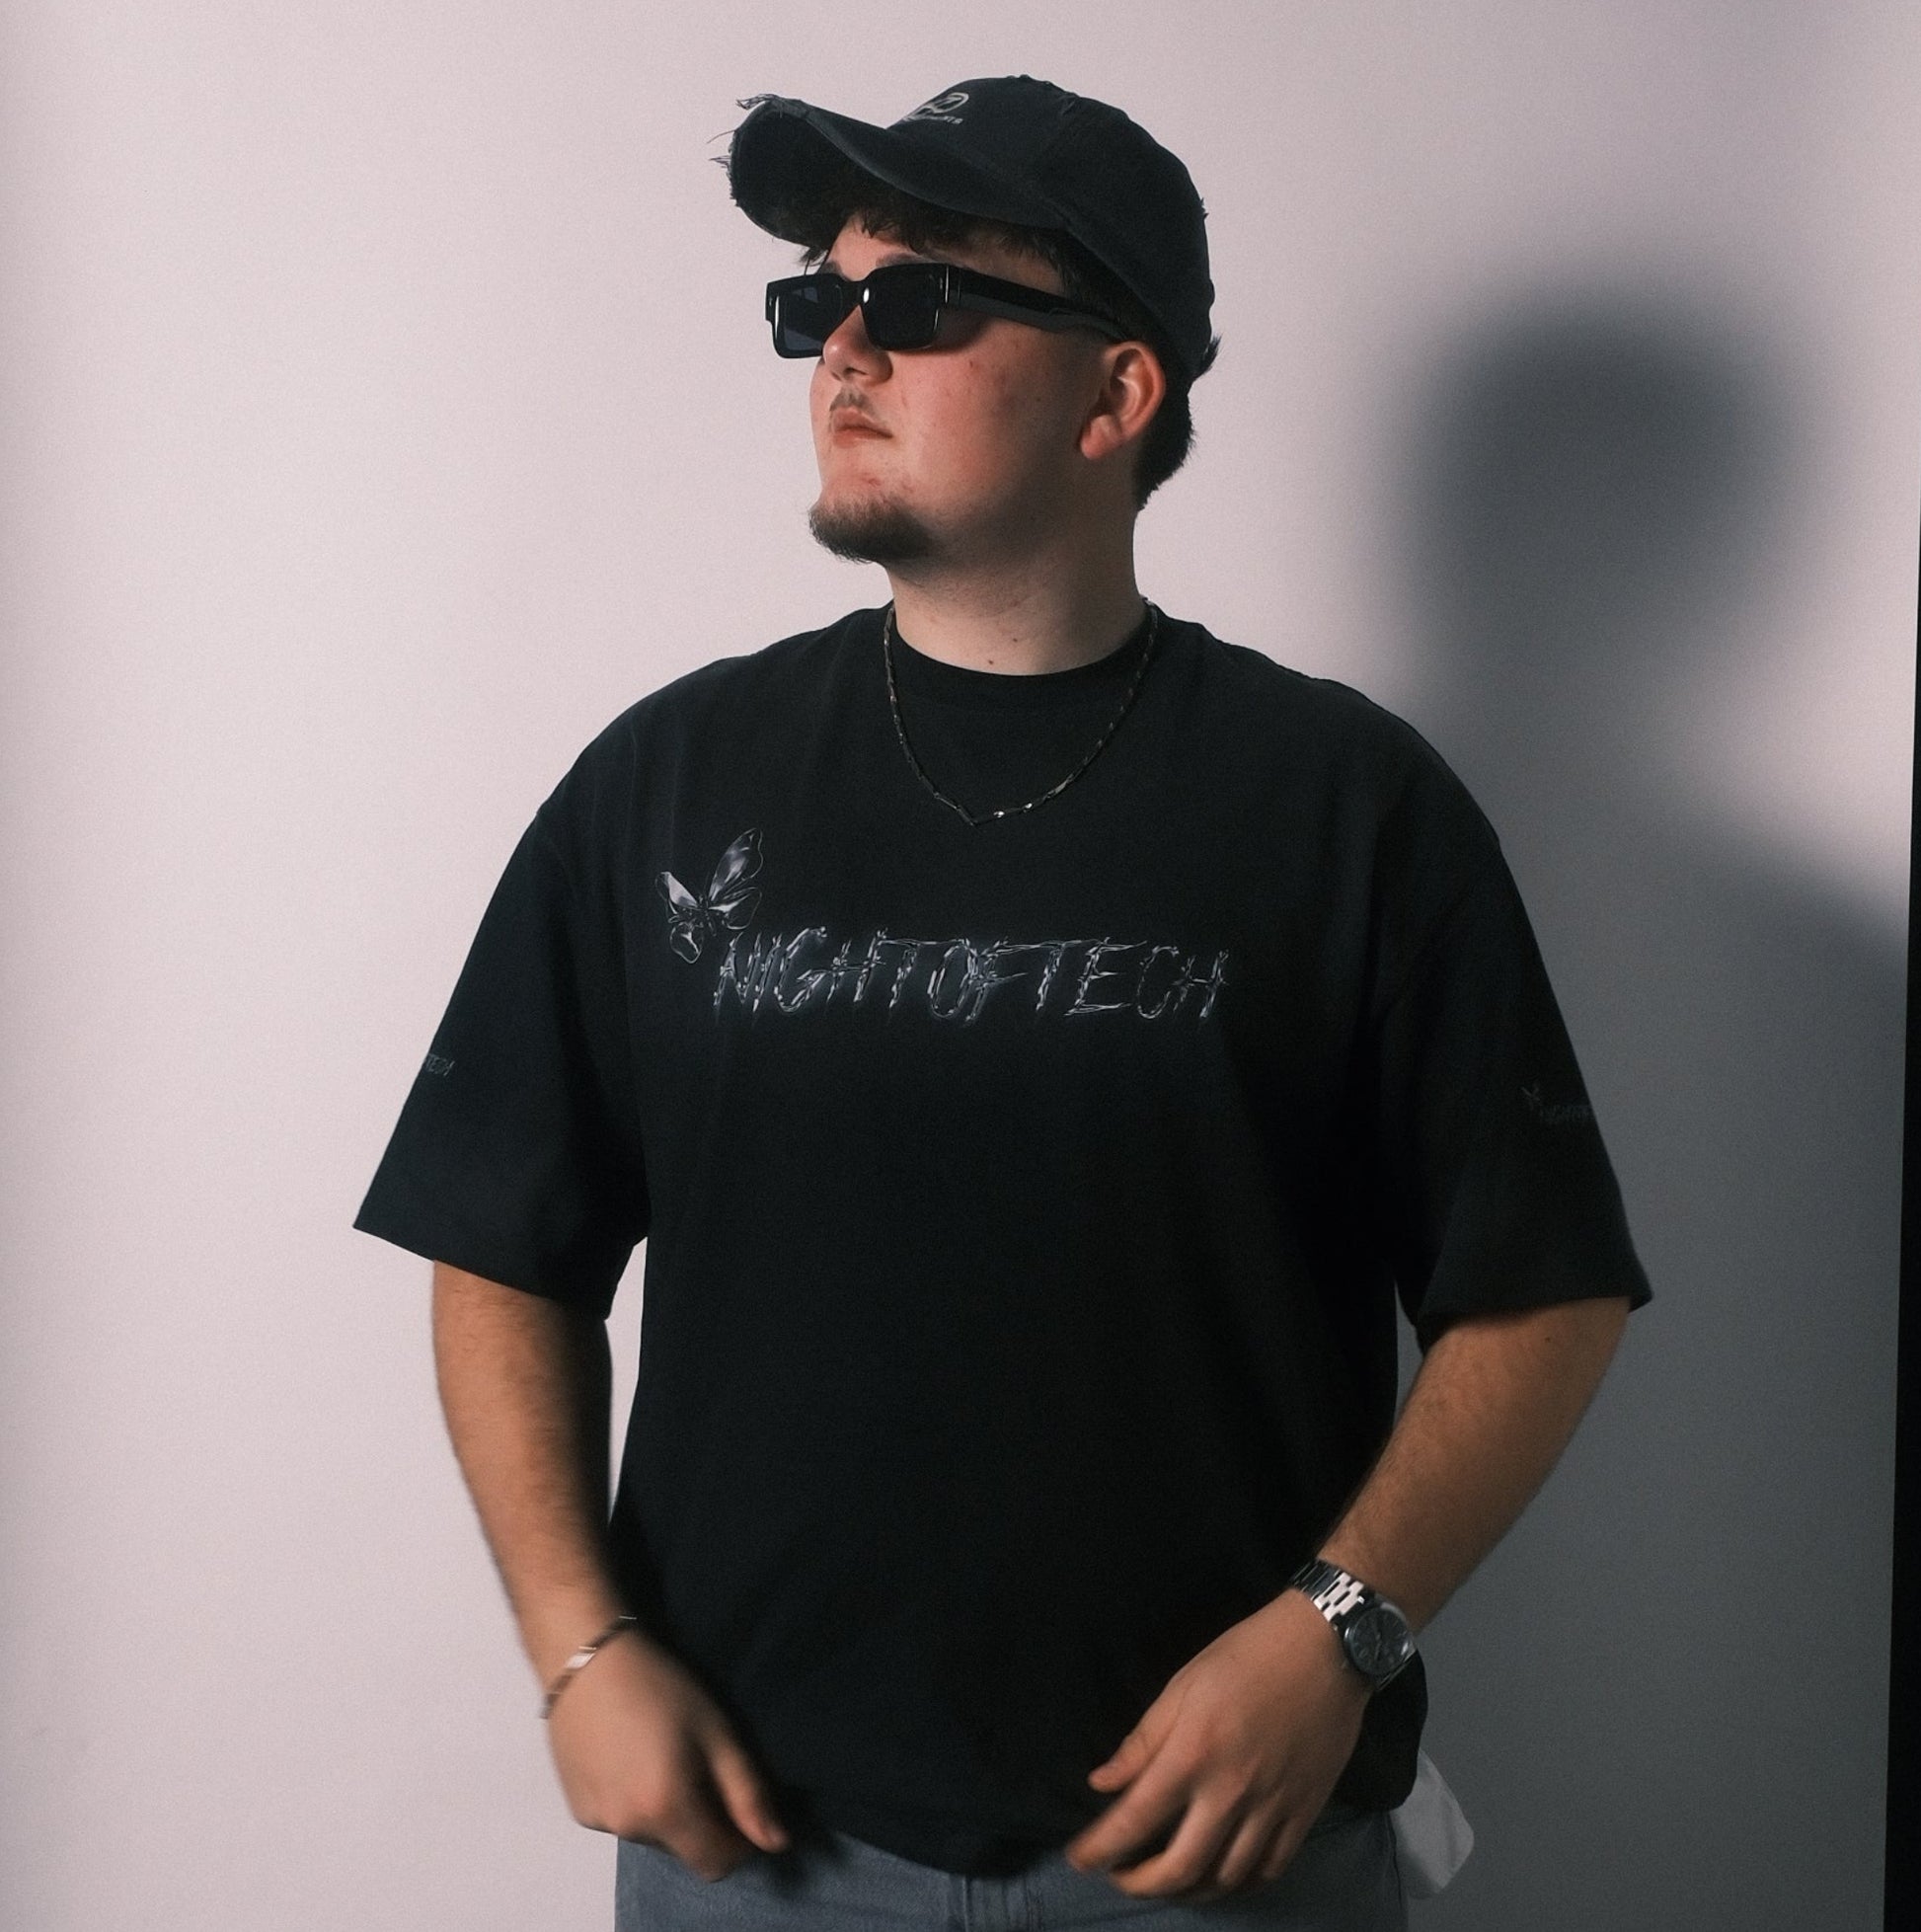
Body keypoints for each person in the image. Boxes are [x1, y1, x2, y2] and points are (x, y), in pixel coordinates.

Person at [353, 75, 1652, 1931]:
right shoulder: (667, 783)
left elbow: (1538, 1286)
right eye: (820, 301)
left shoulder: (1346, 806)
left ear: (1115, 396)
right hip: (762, 1850)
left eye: (919, 300)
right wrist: (580, 1646)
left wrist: (1337, 1633)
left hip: (1213, 1861)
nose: (844, 350)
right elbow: (500, 1239)